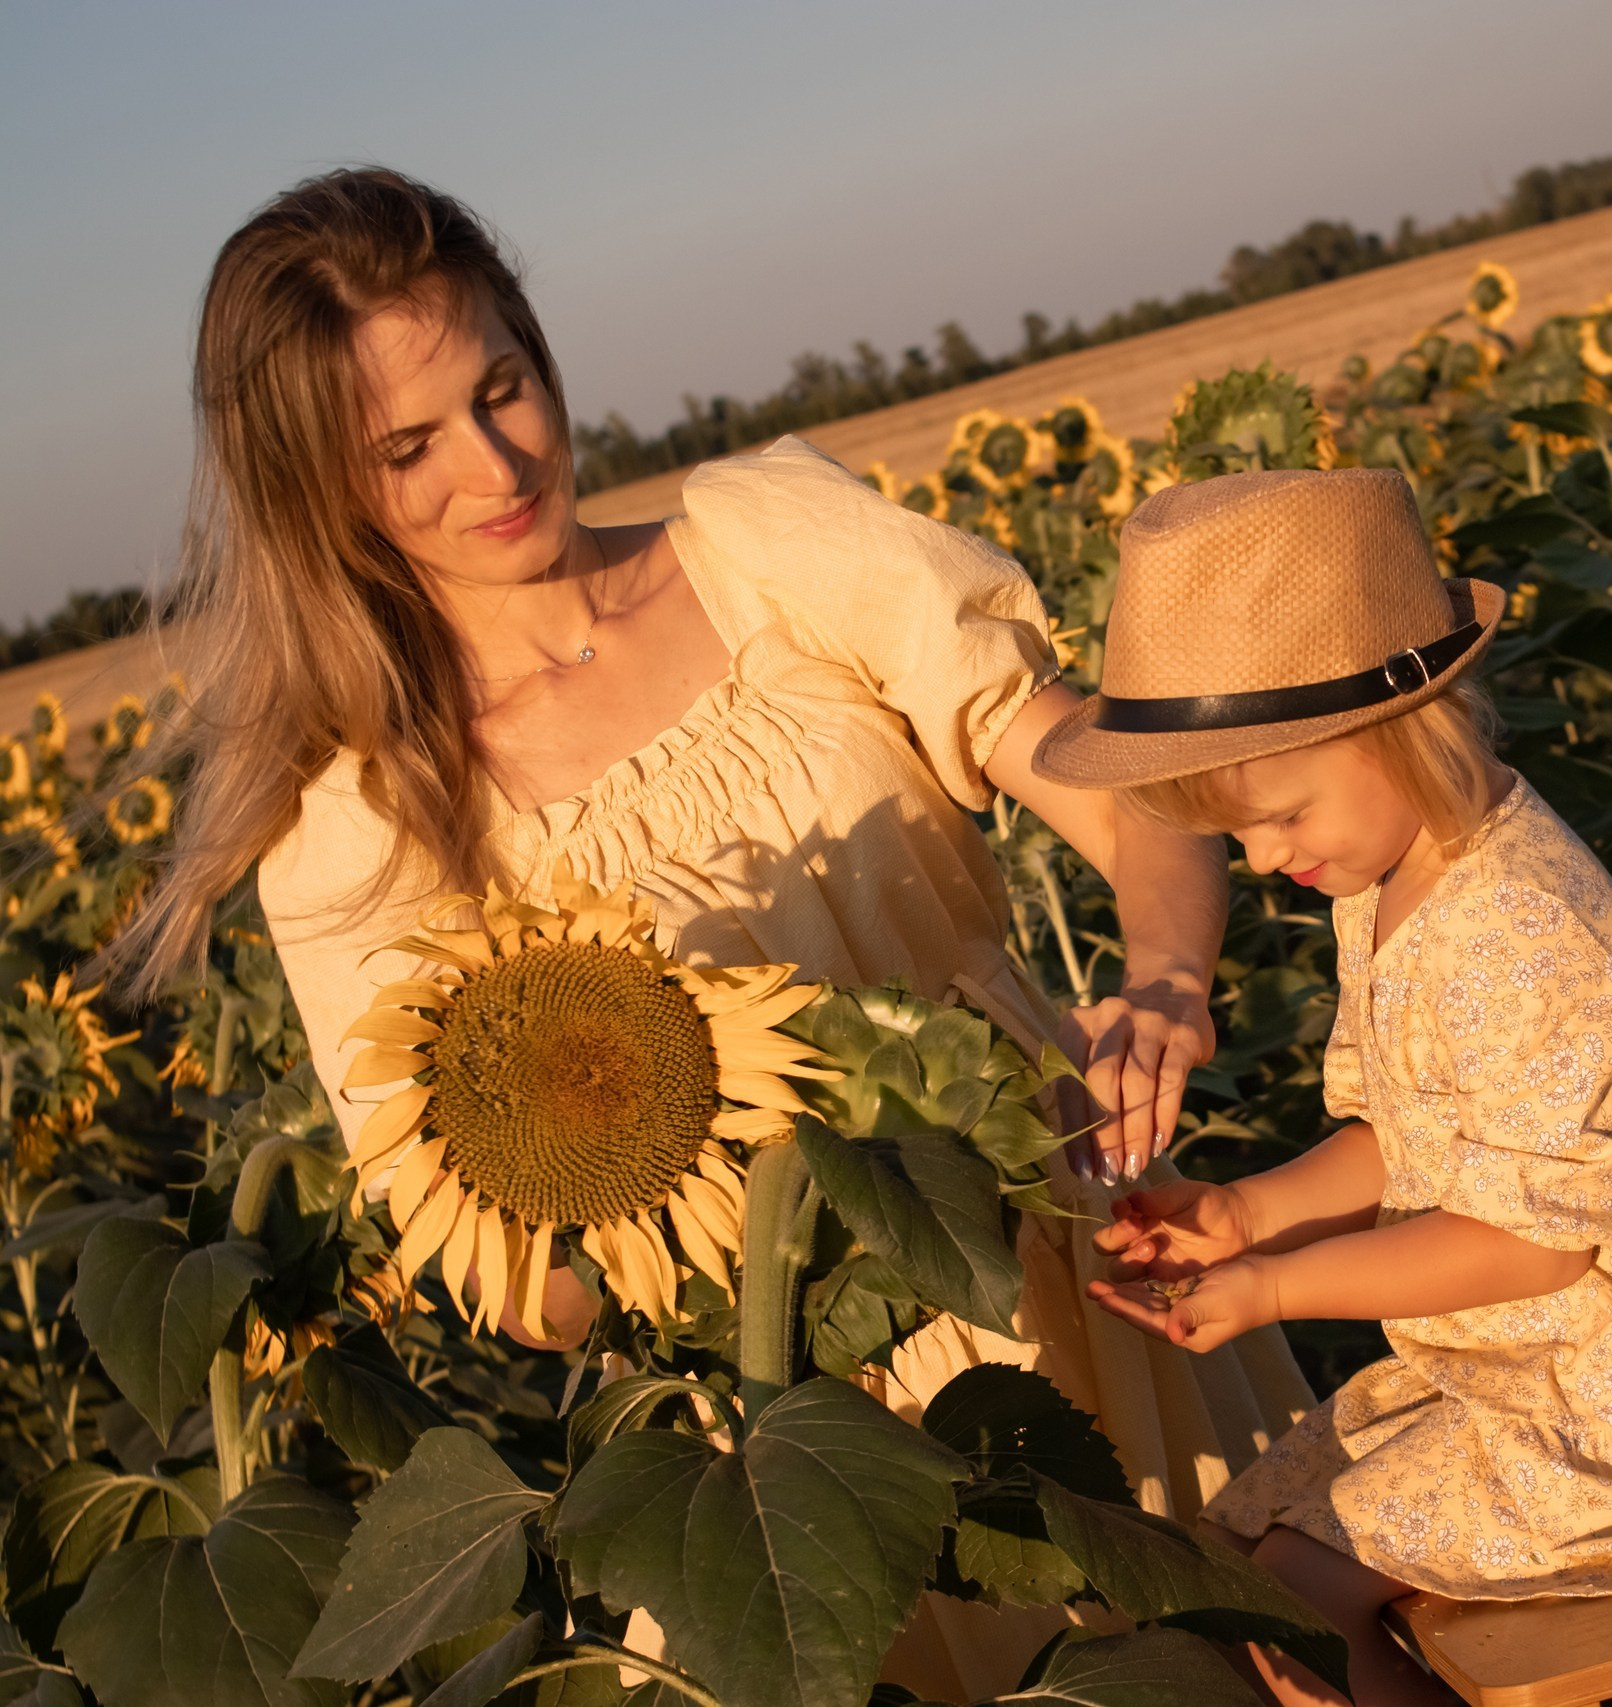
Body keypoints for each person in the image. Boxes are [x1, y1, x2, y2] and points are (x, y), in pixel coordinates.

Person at [108, 167, 1309, 1698]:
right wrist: (654, 1169)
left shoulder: (768, 549)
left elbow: (1132, 790)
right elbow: (512, 1280)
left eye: (503, 385)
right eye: (409, 447)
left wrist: (1168, 979)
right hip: (783, 1439)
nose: (497, 461)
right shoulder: (360, 817)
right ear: (319, 490)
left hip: (1074, 1263)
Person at [1032, 469, 1612, 1707]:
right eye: (1240, 839)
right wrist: (1250, 1214)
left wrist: (1275, 1286)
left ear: (1396, 724)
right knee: (1247, 1579)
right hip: (1526, 1371)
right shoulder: (1390, 878)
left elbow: (1530, 1246)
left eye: (1276, 815)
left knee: (1293, 1612)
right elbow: (1410, 1138)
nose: (1266, 861)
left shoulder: (1517, 922)